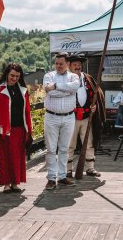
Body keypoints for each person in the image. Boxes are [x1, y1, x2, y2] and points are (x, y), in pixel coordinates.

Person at [0, 63, 32, 193]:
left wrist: (29, 130)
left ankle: (15, 183)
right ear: (7, 74)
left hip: (20, 129)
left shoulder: (23, 90)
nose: (14, 78)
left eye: (17, 76)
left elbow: (27, 112)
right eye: (12, 75)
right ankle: (6, 184)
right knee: (6, 157)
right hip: (6, 130)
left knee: (18, 157)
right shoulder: (0, 89)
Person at [43, 52, 80, 190]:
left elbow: (74, 87)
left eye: (61, 64)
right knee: (51, 149)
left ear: (68, 64)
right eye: (56, 63)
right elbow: (49, 92)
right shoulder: (49, 75)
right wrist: (67, 90)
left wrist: (56, 86)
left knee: (64, 148)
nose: (58, 66)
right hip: (51, 116)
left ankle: (62, 176)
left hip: (69, 116)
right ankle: (51, 178)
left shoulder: (74, 76)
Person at [67, 54, 106, 178]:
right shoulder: (66, 79)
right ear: (69, 66)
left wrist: (94, 106)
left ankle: (90, 168)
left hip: (86, 117)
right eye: (75, 65)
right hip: (71, 117)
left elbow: (97, 93)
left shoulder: (87, 78)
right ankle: (68, 170)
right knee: (70, 144)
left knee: (88, 143)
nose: (77, 67)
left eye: (79, 65)